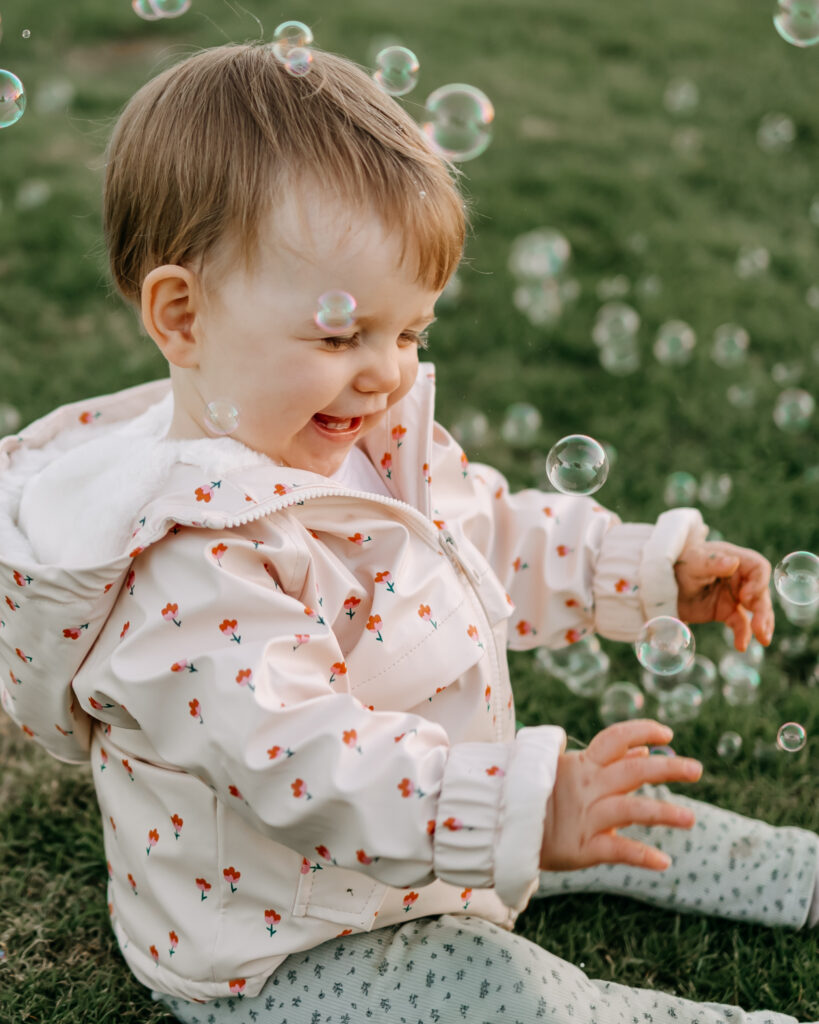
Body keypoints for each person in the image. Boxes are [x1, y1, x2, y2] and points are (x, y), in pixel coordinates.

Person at [0, 42, 816, 1024]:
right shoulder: (190, 568)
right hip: (288, 936)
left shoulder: (364, 441)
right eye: (340, 334)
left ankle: (795, 872)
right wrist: (509, 805)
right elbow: (307, 762)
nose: (386, 371)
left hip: (435, 824)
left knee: (618, 805)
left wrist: (638, 568)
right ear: (182, 316)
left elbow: (491, 532)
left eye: (409, 332)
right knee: (508, 990)